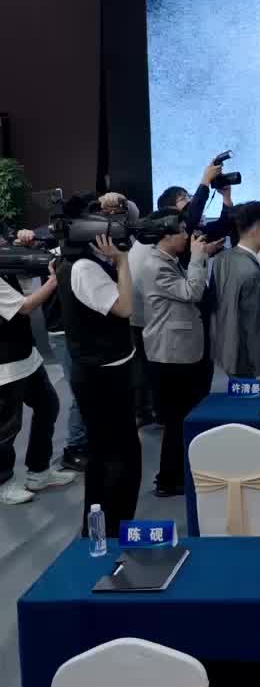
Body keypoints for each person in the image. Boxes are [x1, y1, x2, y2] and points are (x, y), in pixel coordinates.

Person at [55, 207, 140, 530]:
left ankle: (106, 529)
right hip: (102, 377)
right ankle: (109, 532)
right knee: (115, 458)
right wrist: (122, 262)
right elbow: (125, 307)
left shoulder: (77, 263)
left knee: (112, 454)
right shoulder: (84, 268)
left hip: (105, 371)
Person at [142, 220, 211, 497]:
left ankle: (177, 474)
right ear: (165, 236)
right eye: (180, 231)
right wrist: (196, 258)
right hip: (170, 353)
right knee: (176, 419)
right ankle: (168, 480)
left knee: (182, 416)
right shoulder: (156, 265)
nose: (186, 235)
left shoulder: (167, 260)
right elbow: (192, 292)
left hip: (178, 350)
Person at [0, 257, 74, 506]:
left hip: (25, 356)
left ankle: (39, 472)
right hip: (5, 367)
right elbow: (25, 306)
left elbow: (24, 292)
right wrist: (54, 280)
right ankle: (4, 483)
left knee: (48, 406)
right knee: (7, 429)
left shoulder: (5, 267)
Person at [210, 200, 260, 382]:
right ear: (256, 229)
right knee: (253, 398)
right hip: (247, 357)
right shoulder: (252, 272)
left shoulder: (223, 258)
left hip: (225, 348)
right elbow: (253, 326)